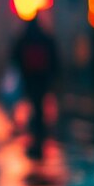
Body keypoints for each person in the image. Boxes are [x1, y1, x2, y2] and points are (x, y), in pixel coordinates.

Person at [11, 18, 59, 163]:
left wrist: (21, 71)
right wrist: (53, 75)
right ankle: (39, 129)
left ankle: (35, 130)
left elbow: (15, 55)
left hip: (29, 77)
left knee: (33, 102)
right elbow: (54, 56)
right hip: (42, 78)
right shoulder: (45, 37)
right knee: (39, 103)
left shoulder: (25, 37)